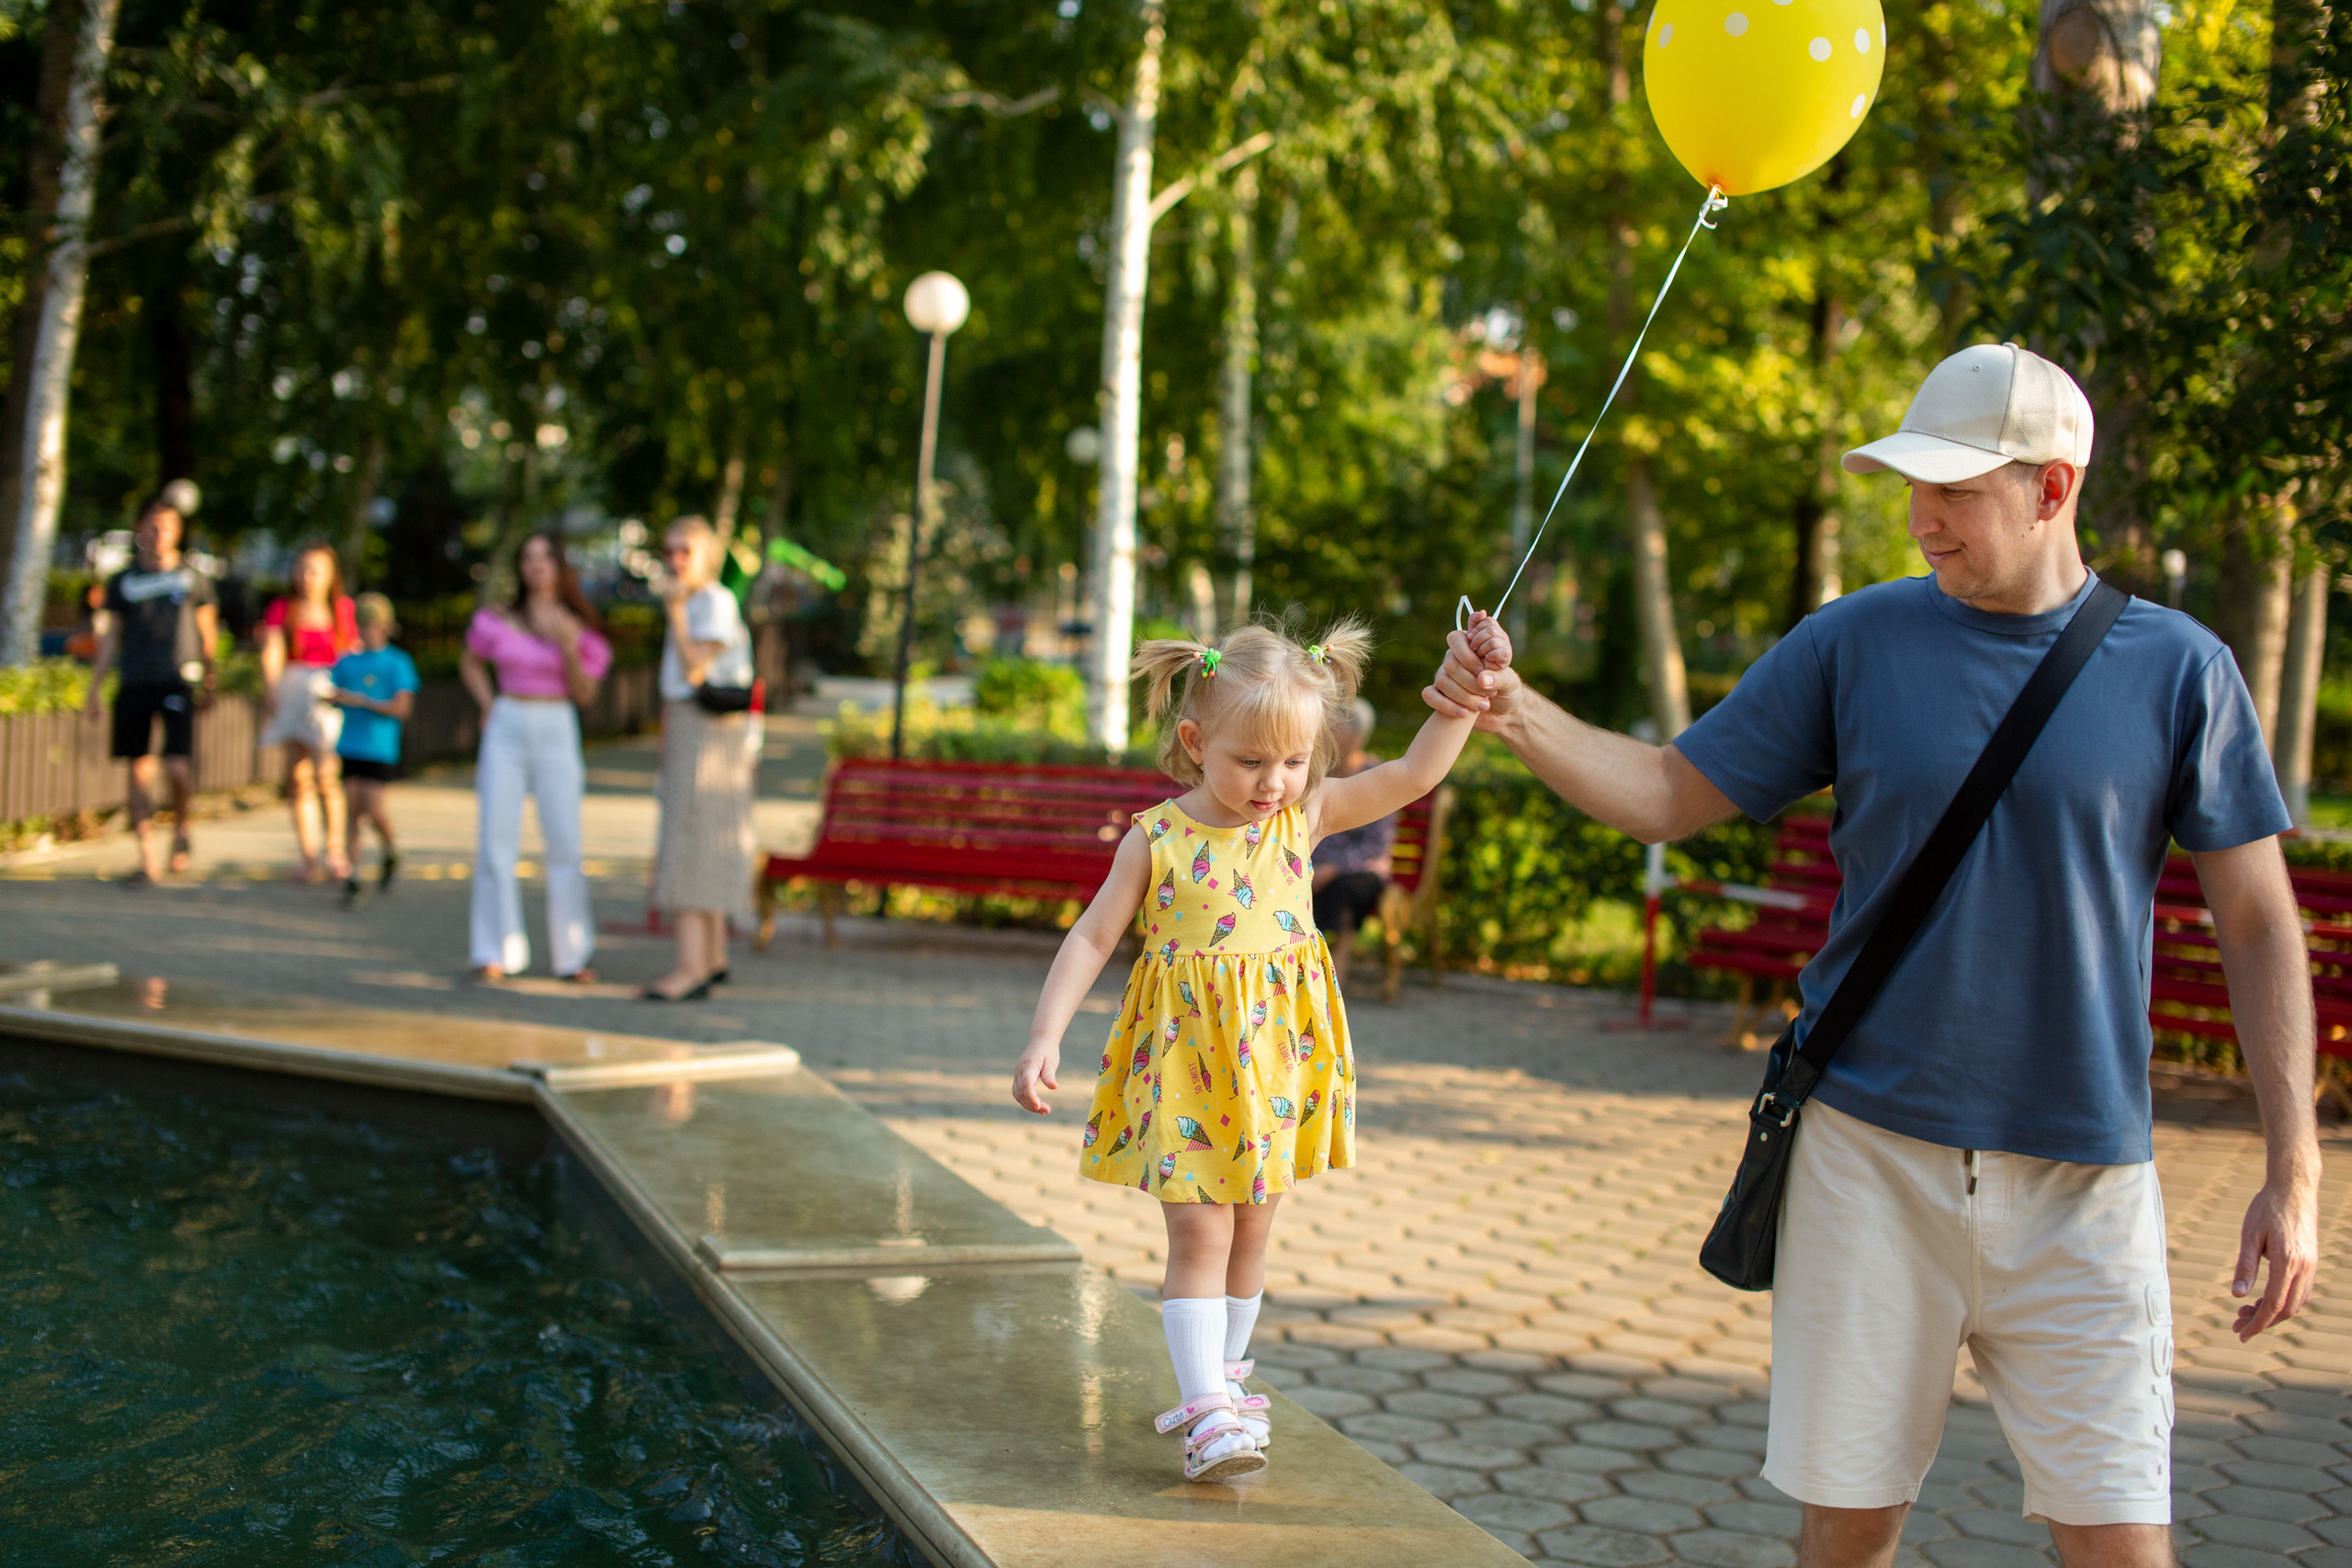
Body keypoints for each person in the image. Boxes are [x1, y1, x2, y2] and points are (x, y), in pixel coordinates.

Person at [1427, 343, 2321, 1568]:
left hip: (2083, 1186)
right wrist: (1512, 708)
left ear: (2053, 488)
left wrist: (2293, 1170)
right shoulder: (1853, 641)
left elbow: (2260, 922)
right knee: (1844, 1538)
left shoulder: (2181, 671)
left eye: (1953, 491)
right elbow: (1668, 793)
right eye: (1913, 487)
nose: (1919, 519)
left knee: (2122, 1543)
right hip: (1867, 1160)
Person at [1009, 621, 1491, 1483]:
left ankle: (1225, 1379)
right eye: (1252, 761)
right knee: (1202, 1226)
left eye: (1296, 761)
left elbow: (1414, 773)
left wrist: (1464, 698)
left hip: (1270, 1066)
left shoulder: (1305, 817)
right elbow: (1092, 937)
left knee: (1253, 1227)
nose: (1275, 782)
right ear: (1196, 744)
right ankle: (1206, 1413)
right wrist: (1046, 1033)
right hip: (1186, 1066)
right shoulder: (1156, 837)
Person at [460, 530, 613, 982]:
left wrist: (567, 646)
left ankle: (572, 955)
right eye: (528, 557)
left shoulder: (578, 626)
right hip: (507, 721)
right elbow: (470, 662)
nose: (537, 565)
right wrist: (487, 703)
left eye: (546, 557)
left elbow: (585, 694)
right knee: (496, 839)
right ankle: (495, 950)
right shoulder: (497, 619)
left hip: (556, 723)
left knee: (564, 839)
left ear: (560, 566)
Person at [641, 515, 757, 1002]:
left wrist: (674, 611)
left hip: (708, 732)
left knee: (689, 843)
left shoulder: (710, 601)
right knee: (705, 839)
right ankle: (711, 958)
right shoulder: (703, 601)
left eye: (685, 550)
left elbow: (695, 670)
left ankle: (689, 969)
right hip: (698, 729)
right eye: (668, 550)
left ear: (706, 556)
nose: (674, 560)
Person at [81, 493, 217, 884]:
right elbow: (110, 636)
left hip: (178, 679)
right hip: (135, 681)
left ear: (178, 531)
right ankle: (147, 858)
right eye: (153, 526)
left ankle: (181, 826)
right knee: (140, 769)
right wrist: (95, 688)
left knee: (176, 766)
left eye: (169, 526)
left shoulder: (193, 577)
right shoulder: (123, 580)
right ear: (140, 529)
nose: (160, 534)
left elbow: (207, 630)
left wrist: (210, 677)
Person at [258, 542, 359, 883]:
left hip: (326, 698)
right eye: (301, 568)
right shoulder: (282, 609)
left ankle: (335, 852)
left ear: (330, 576)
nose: (306, 576)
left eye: (315, 570)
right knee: (298, 778)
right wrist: (271, 687)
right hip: (293, 693)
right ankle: (308, 855)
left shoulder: (341, 610)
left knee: (327, 776)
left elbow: (351, 654)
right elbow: (272, 649)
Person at [330, 593, 418, 905]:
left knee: (373, 808)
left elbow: (402, 708)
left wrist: (365, 702)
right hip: (350, 743)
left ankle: (391, 848)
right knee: (352, 810)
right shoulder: (347, 661)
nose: (368, 631)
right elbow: (332, 691)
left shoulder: (397, 662)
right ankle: (353, 875)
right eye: (363, 625)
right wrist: (335, 698)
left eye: (374, 625)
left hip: (379, 746)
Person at [1310, 697, 1398, 987]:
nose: (1325, 734)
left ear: (1356, 735)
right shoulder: (1316, 772)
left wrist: (1332, 868)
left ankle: (1336, 975)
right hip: (1314, 867)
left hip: (1358, 870)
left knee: (1347, 889)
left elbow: (1375, 846)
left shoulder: (1376, 777)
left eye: (1333, 728)